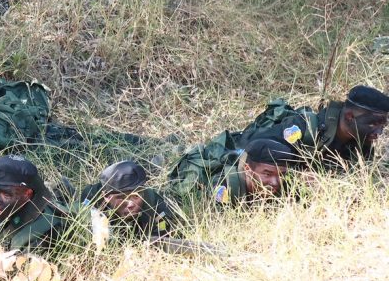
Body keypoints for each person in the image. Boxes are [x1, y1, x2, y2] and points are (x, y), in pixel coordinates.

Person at [240, 85, 388, 167]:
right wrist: (296, 177)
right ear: (350, 117)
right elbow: (252, 151)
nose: (379, 132)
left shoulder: (362, 143)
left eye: (383, 125)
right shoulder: (305, 128)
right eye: (373, 124)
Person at [170, 138, 301, 207]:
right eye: (267, 174)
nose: (275, 182)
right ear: (248, 169)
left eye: (281, 174)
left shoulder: (283, 182)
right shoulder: (226, 187)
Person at [78, 161, 176, 241]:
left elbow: (162, 231)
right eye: (122, 197)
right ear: (106, 197)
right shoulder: (92, 197)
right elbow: (83, 227)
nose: (131, 204)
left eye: (136, 196)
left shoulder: (153, 201)